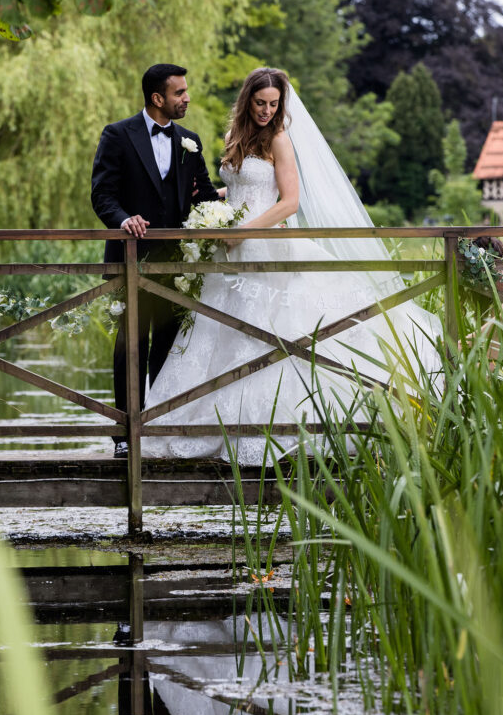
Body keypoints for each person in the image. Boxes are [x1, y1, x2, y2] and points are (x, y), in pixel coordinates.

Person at [141, 67, 444, 464]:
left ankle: (283, 427)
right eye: (260, 103)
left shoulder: (279, 140)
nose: (267, 111)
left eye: (274, 104)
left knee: (274, 333)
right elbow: (241, 188)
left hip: (265, 246)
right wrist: (217, 211)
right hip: (233, 249)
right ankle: (204, 421)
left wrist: (242, 230)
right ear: (247, 100)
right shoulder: (236, 136)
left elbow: (288, 202)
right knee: (225, 331)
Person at [91, 63, 220, 457]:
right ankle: (124, 435)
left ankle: (159, 427)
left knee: (168, 344)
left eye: (186, 91)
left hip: (177, 265)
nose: (187, 98)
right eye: (179, 93)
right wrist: (123, 219)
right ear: (157, 98)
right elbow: (102, 194)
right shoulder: (117, 135)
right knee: (130, 345)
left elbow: (203, 199)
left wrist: (232, 204)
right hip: (130, 260)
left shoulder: (190, 140)